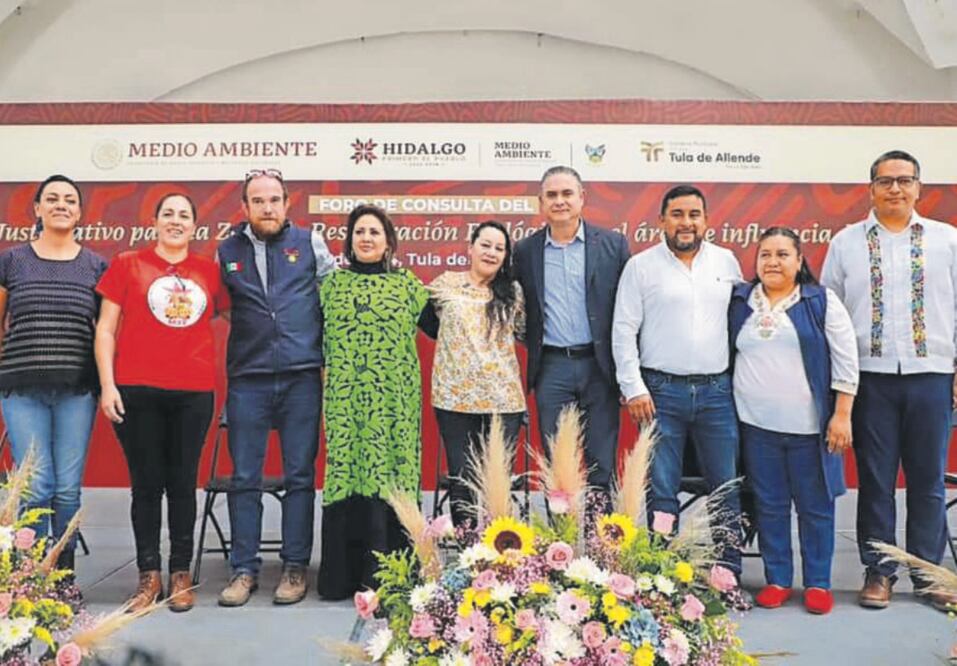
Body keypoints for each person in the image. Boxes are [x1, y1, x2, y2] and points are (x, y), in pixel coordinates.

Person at [821, 150, 957, 611]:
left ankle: (929, 575)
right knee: (876, 481)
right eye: (885, 181)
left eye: (904, 180)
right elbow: (832, 315)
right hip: (870, 379)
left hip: (932, 376)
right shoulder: (846, 243)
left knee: (928, 480)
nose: (895, 188)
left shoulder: (947, 241)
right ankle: (879, 571)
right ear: (871, 189)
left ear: (919, 187)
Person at [96, 192, 228, 612]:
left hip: (194, 391)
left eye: (184, 215)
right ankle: (148, 575)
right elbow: (105, 329)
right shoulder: (127, 264)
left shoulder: (209, 271)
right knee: (147, 485)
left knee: (183, 484)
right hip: (136, 390)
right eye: (168, 214)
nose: (176, 221)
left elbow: (243, 317)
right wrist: (107, 384)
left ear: (194, 227)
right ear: (154, 222)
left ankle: (181, 574)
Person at [611, 185, 744, 579]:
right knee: (662, 488)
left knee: (725, 486)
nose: (686, 223)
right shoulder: (641, 267)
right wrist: (633, 387)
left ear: (706, 220)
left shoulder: (726, 261)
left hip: (717, 392)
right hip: (660, 393)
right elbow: (623, 331)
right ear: (662, 220)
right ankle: (661, 571)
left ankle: (727, 570)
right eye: (677, 214)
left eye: (693, 214)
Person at [216, 169, 335, 607]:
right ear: (245, 207)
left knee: (300, 477)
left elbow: (332, 298)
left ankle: (294, 567)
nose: (267, 207)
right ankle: (244, 571)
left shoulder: (310, 244)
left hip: (303, 375)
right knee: (244, 477)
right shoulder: (225, 249)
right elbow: (227, 308)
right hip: (248, 377)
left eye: (274, 200)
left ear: (287, 204)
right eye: (258, 201)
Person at [730, 227, 858, 615]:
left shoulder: (820, 301)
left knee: (815, 507)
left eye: (783, 254)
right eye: (765, 254)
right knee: (769, 505)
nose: (773, 262)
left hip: (810, 429)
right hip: (756, 428)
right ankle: (778, 579)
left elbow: (846, 359)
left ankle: (818, 582)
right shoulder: (741, 301)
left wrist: (842, 414)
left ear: (800, 261)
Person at [316, 204, 428, 600]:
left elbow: (446, 326)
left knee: (392, 473)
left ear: (388, 242)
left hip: (395, 406)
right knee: (348, 471)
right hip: (346, 405)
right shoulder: (331, 287)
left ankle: (390, 575)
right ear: (349, 241)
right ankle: (342, 576)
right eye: (360, 231)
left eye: (374, 232)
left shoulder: (409, 287)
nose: (366, 238)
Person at [0, 174, 106, 575]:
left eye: (69, 200)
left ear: (80, 212)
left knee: (65, 489)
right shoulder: (11, 261)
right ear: (38, 209)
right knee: (35, 486)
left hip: (76, 391)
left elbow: (103, 333)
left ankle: (61, 576)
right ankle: (30, 578)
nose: (61, 205)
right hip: (21, 390)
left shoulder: (96, 266)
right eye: (52, 199)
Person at [512, 166, 630, 503]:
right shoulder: (525, 252)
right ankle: (557, 550)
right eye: (552, 195)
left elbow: (629, 311)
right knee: (557, 466)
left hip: (600, 368)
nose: (560, 201)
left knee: (600, 464)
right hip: (552, 369)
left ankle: (599, 550)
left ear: (582, 198)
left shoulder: (613, 245)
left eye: (567, 194)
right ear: (541, 203)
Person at [423, 220, 526, 528]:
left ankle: (500, 555)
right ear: (470, 248)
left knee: (496, 480)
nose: (491, 253)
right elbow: (427, 322)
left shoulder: (513, 292)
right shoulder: (446, 284)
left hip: (502, 400)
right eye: (485, 245)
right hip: (454, 399)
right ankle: (469, 554)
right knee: (463, 478)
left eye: (499, 248)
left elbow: (523, 332)